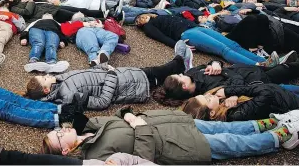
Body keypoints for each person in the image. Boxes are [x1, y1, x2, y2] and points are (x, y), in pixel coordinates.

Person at [41, 109, 299, 161]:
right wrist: (138, 126)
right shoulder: (96, 155)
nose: (61, 130)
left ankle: (265, 124)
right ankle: (280, 137)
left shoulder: (90, 127)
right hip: (176, 145)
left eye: (57, 130)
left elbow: (120, 116)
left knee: (226, 128)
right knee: (231, 143)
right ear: (66, 151)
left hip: (171, 123)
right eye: (59, 136)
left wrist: (129, 115)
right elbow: (142, 159)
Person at [24, 42, 192, 110]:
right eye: (44, 78)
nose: (47, 75)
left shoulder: (61, 80)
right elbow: (102, 102)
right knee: (160, 72)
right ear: (46, 90)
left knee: (157, 71)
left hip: (123, 75)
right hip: (129, 86)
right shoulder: (68, 96)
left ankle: (180, 66)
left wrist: (103, 66)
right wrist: (111, 74)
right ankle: (181, 63)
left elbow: (89, 75)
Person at [135, 13, 267, 65]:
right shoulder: (149, 26)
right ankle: (257, 65)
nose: (141, 19)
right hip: (187, 34)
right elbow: (161, 37)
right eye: (139, 21)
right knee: (223, 49)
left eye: (141, 16)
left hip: (196, 27)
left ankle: (263, 61)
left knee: (233, 44)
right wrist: (179, 45)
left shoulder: (160, 15)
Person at [156, 59, 299, 104]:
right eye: (180, 76)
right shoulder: (210, 91)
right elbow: (237, 81)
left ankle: (280, 63)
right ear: (185, 86)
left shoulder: (191, 73)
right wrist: (222, 70)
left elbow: (208, 63)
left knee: (288, 69)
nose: (182, 73)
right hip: (257, 80)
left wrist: (215, 63)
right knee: (287, 74)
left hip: (247, 68)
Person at [181, 83, 299, 122]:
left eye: (205, 95)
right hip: (289, 103)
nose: (209, 95)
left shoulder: (222, 103)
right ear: (211, 113)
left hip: (283, 95)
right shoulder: (235, 114)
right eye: (207, 99)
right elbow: (266, 93)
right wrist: (230, 91)